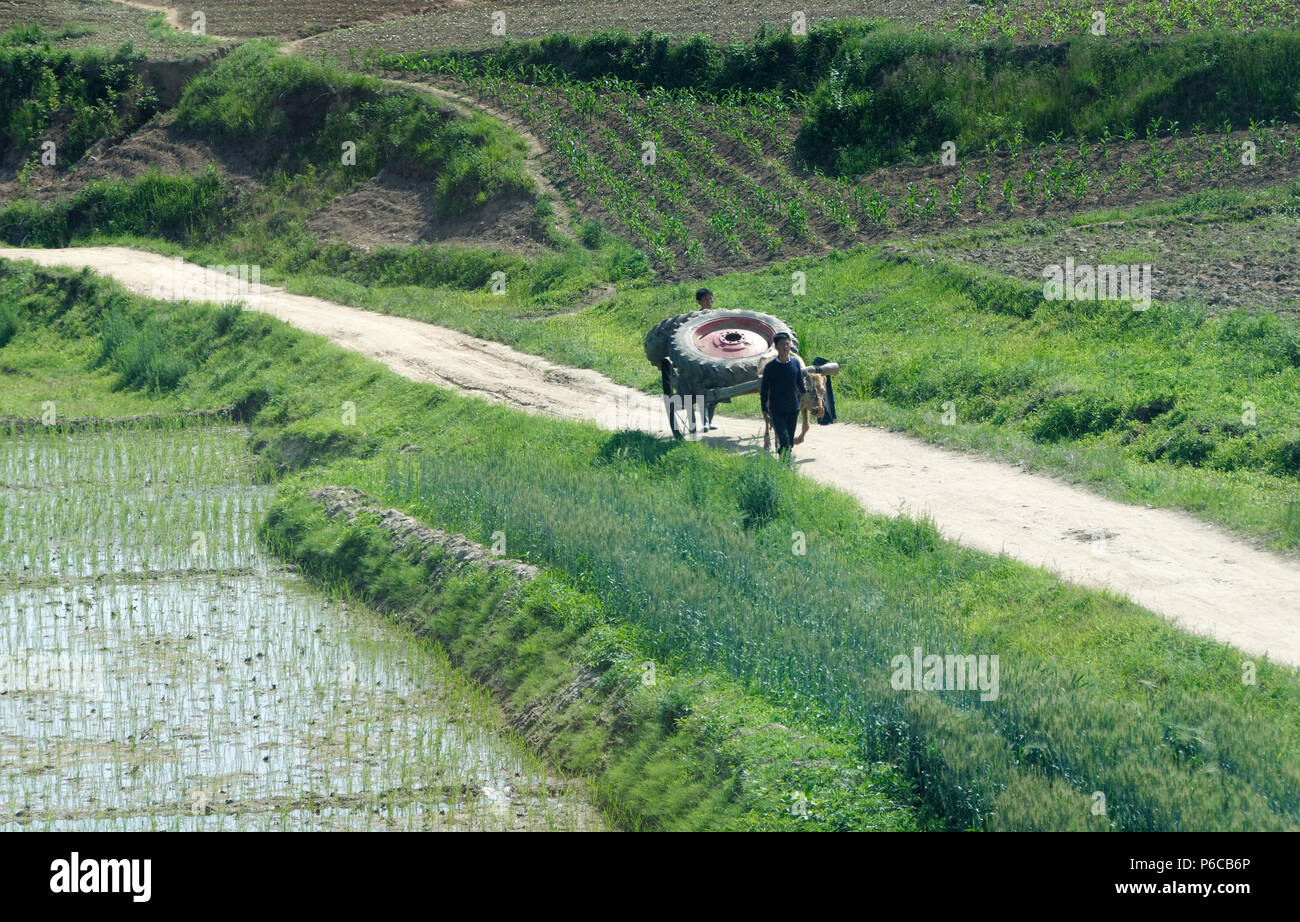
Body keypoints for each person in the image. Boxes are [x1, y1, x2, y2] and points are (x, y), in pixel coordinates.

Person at [759, 331, 805, 459]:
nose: (786, 347)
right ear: (776, 347)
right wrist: (764, 408)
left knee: (790, 439)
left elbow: (800, 385)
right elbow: (764, 390)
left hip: (793, 408)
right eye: (783, 344)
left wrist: (807, 396)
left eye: (788, 344)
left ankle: (785, 457)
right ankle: (786, 462)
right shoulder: (770, 367)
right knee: (784, 438)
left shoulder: (795, 364)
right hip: (777, 409)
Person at [691, 288, 717, 431]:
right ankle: (705, 422)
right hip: (700, 357)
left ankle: (710, 421)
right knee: (703, 391)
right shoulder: (696, 318)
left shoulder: (717, 315)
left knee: (715, 390)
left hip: (715, 356)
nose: (710, 301)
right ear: (700, 301)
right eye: (707, 299)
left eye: (711, 298)